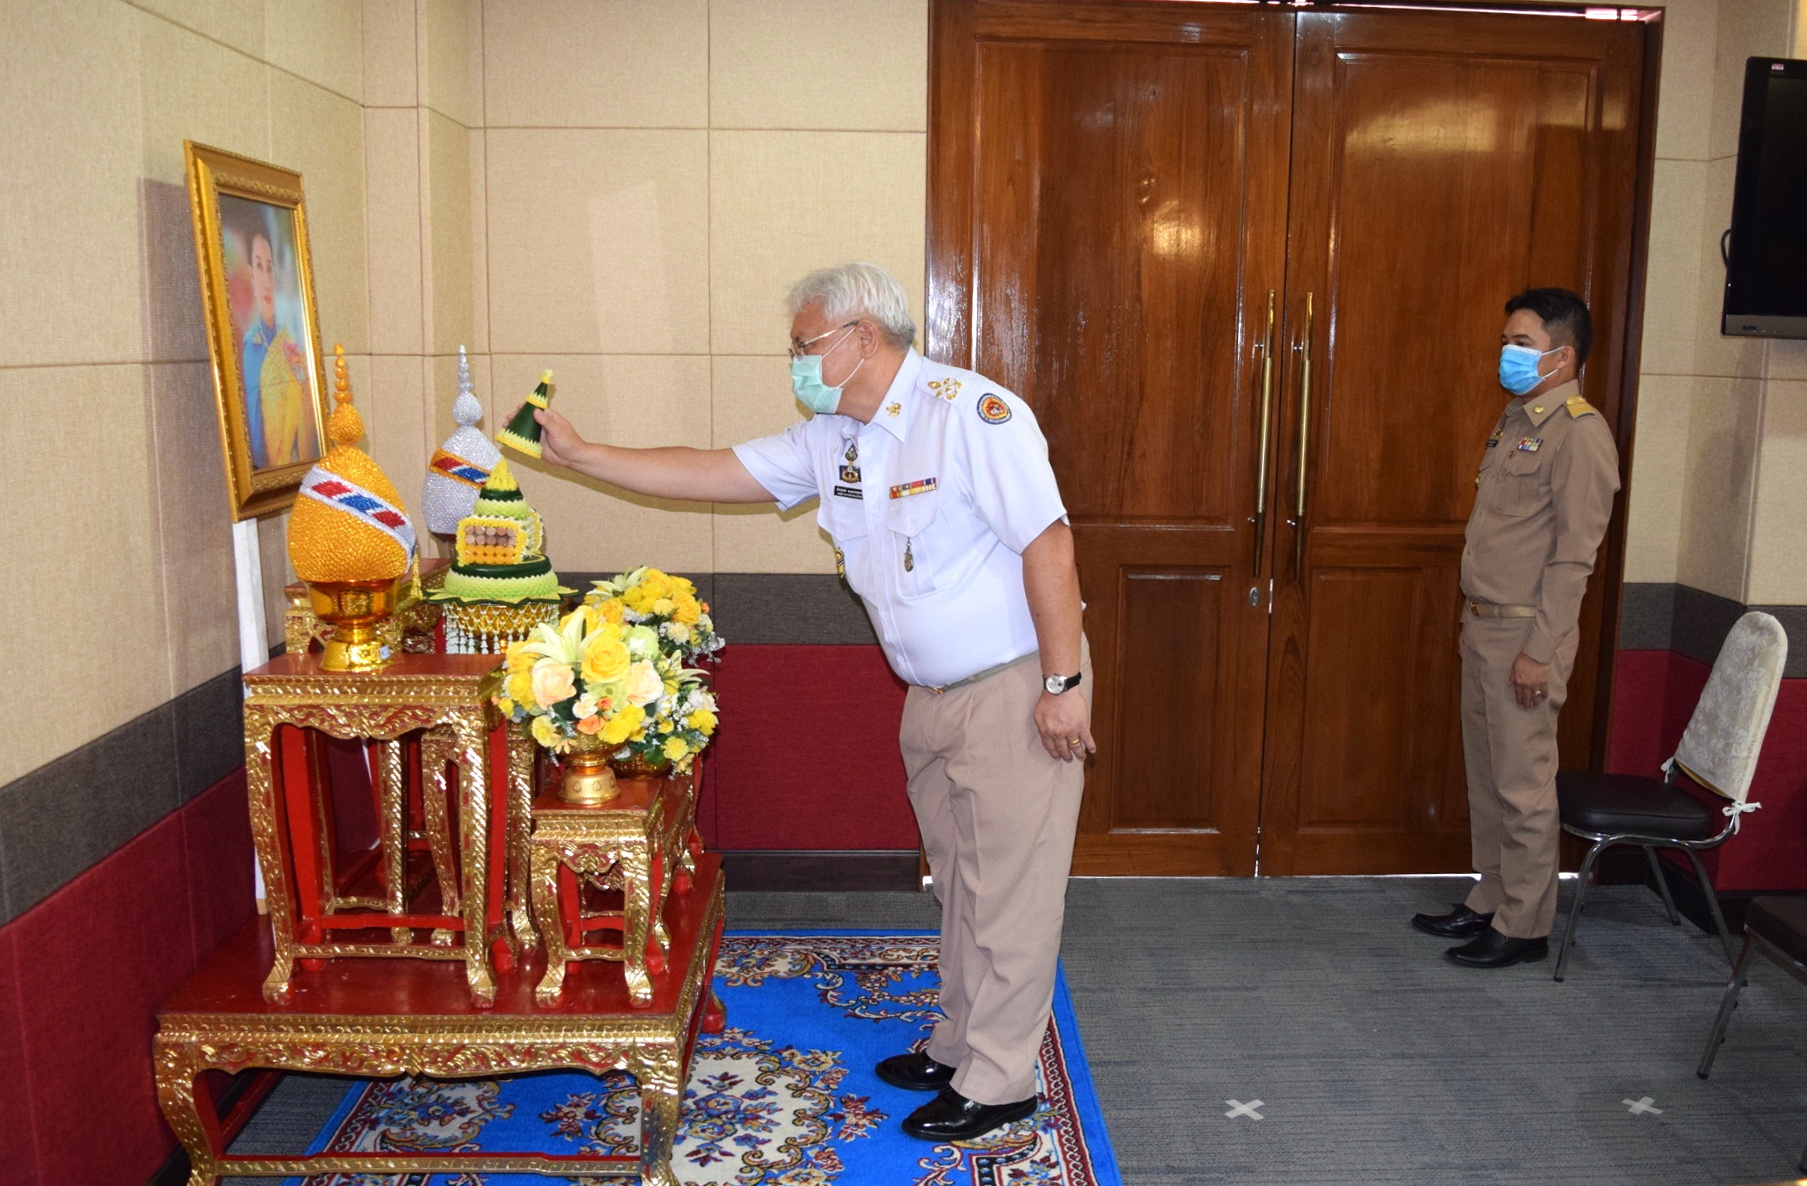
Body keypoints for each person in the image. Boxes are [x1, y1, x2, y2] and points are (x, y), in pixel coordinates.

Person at [533, 262, 1094, 1141]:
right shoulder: (838, 434)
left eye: (804, 346)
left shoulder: (970, 415)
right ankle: (958, 1045)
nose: (795, 363)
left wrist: (1062, 686)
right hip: (931, 696)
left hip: (1014, 688)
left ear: (861, 338)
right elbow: (714, 470)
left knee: (1011, 893)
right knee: (958, 883)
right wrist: (586, 455)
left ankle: (1001, 1081)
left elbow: (1048, 545)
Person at [1412, 287, 1620, 969]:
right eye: (1507, 339)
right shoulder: (1516, 418)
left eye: (1521, 343)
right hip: (1487, 625)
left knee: (1523, 783)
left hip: (1528, 635)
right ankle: (1491, 897)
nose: (1507, 351)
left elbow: (1572, 558)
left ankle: (1526, 924)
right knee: (1487, 775)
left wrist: (1539, 651)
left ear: (1562, 355)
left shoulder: (1580, 432)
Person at [238, 228, 314, 469]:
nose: (266, 280)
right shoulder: (251, 346)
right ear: (251, 276)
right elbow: (255, 442)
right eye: (259, 267)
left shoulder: (290, 341)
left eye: (269, 268)